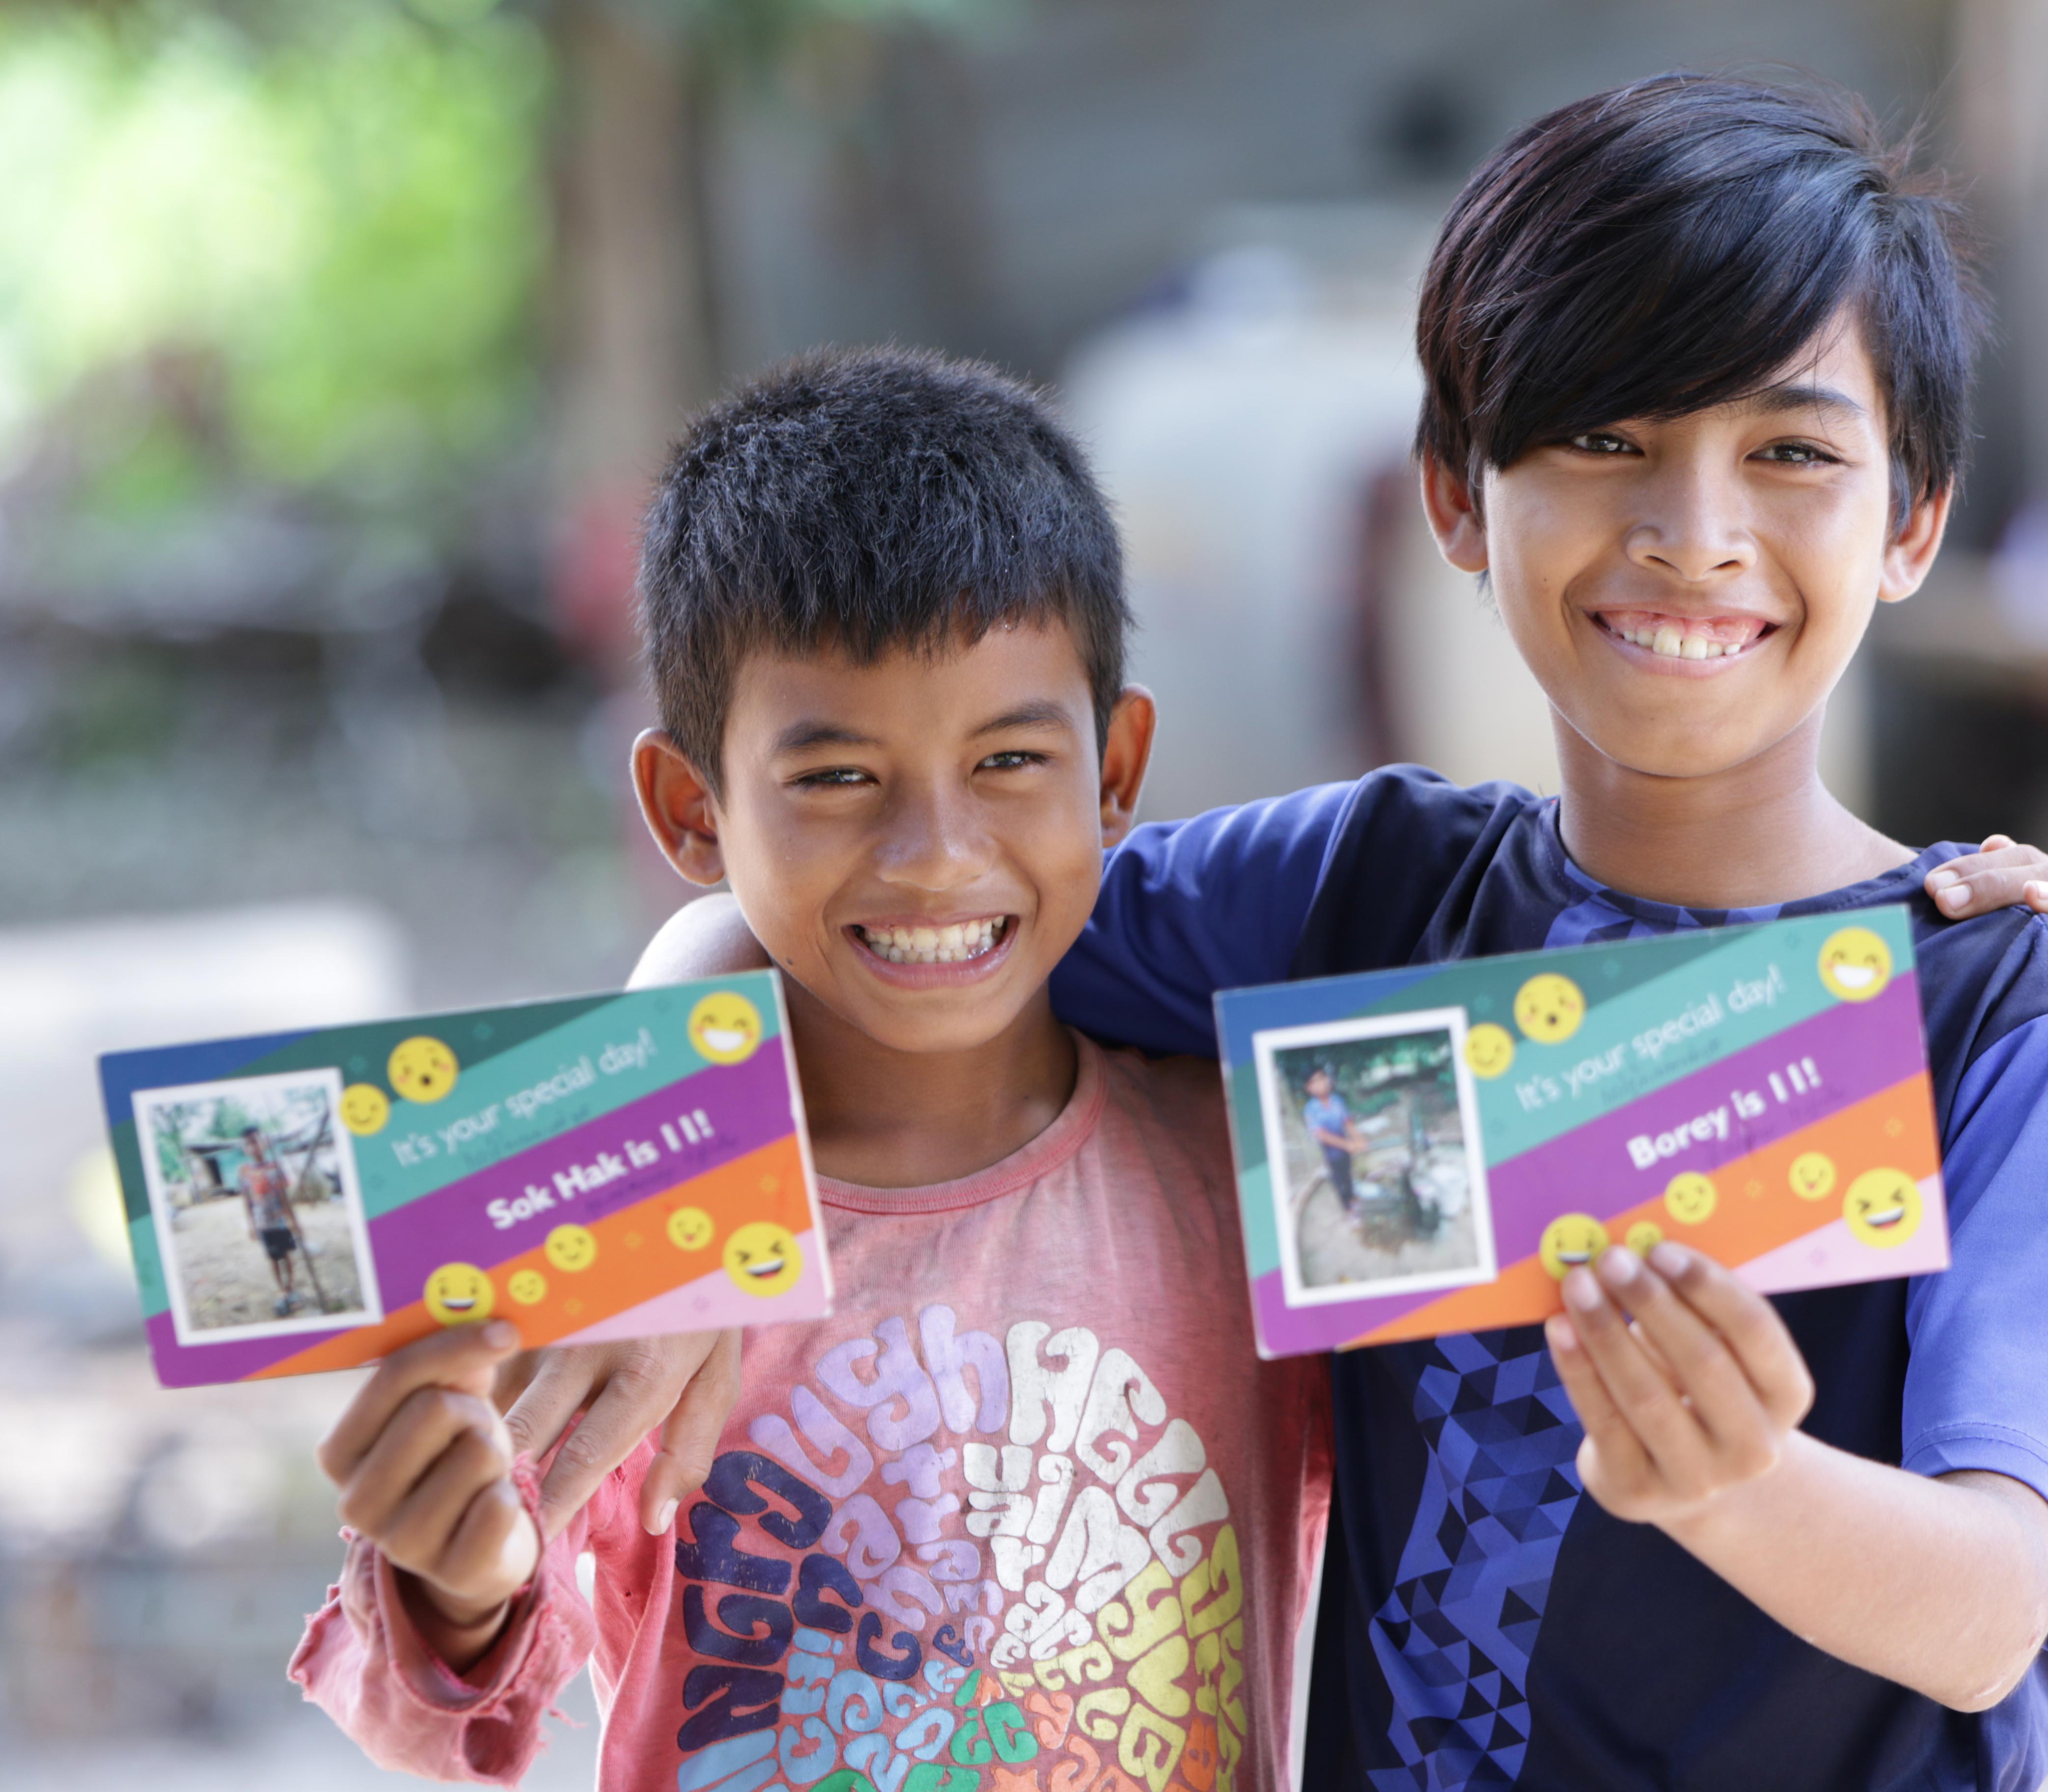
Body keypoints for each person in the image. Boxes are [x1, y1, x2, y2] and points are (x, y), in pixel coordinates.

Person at [583, 70, 2048, 1791]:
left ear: (1910, 524)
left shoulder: (2012, 1009)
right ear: (1452, 493)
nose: (1693, 532)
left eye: (1791, 451)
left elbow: (1993, 1606)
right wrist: (671, 1166)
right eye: (1605, 438)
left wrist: (1742, 1481)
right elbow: (893, 906)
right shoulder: (1356, 898)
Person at [290, 348, 1330, 1792]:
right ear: (688, 810)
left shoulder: (1252, 1175)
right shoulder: (609, 1215)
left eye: (1011, 760)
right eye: (836, 777)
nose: (937, 856)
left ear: (1117, 770)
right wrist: (454, 1585)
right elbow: (443, 1718)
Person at [237, 1123, 307, 1317]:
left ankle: (290, 1287)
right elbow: (247, 1200)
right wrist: (251, 1225)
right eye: (249, 1144)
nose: (254, 1147)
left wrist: (294, 1222)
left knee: (287, 1256)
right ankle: (281, 1290)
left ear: (265, 1143)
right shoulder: (245, 1172)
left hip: (281, 1223)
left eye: (256, 1141)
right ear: (245, 1148)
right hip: (263, 1224)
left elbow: (285, 1198)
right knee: (274, 1258)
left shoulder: (276, 1168)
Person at [1300, 1065, 1363, 1215]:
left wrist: (1359, 1139)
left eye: (1322, 1078)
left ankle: (1353, 1201)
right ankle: (1346, 1210)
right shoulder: (1310, 1109)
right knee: (1337, 1181)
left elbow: (1347, 1122)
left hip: (1344, 1151)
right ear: (1309, 1088)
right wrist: (1347, 1144)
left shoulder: (1337, 1101)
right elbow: (1321, 1135)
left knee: (1347, 1175)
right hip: (1328, 1154)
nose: (1321, 1083)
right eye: (1315, 1082)